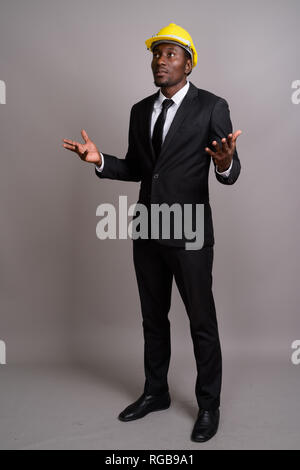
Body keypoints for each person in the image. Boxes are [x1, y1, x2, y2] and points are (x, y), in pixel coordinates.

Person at [62, 23, 242, 443]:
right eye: (156, 54)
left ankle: (209, 405)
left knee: (202, 322)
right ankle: (155, 392)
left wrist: (223, 163)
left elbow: (230, 172)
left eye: (170, 55)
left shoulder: (212, 106)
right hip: (148, 231)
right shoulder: (140, 110)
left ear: (188, 63)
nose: (160, 61)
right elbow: (142, 169)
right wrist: (100, 159)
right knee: (152, 319)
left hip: (191, 233)